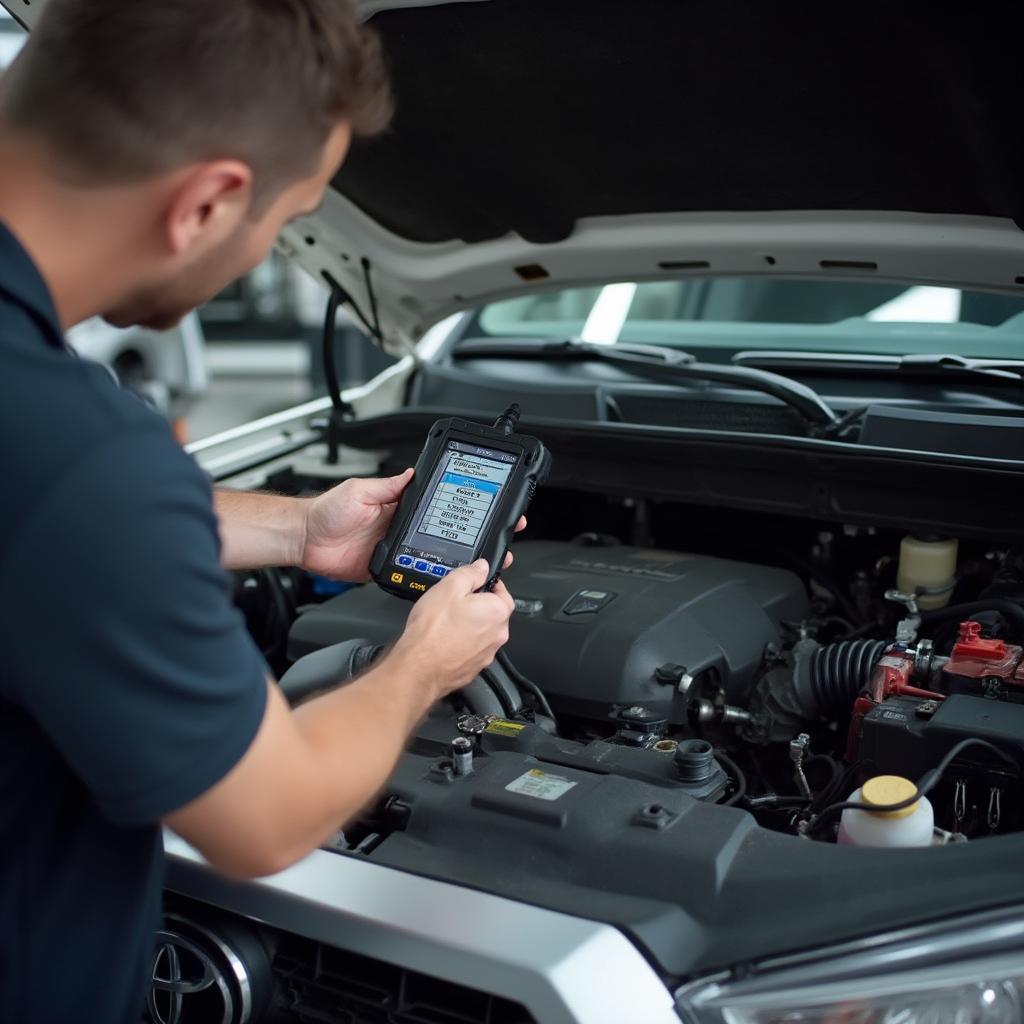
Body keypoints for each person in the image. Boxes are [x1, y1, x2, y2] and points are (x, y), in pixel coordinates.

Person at [0, 2, 519, 1021]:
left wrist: (295, 528)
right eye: (286, 224)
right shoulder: (78, 455)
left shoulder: (50, 441)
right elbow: (268, 818)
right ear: (205, 204)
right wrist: (425, 662)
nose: (269, 250)